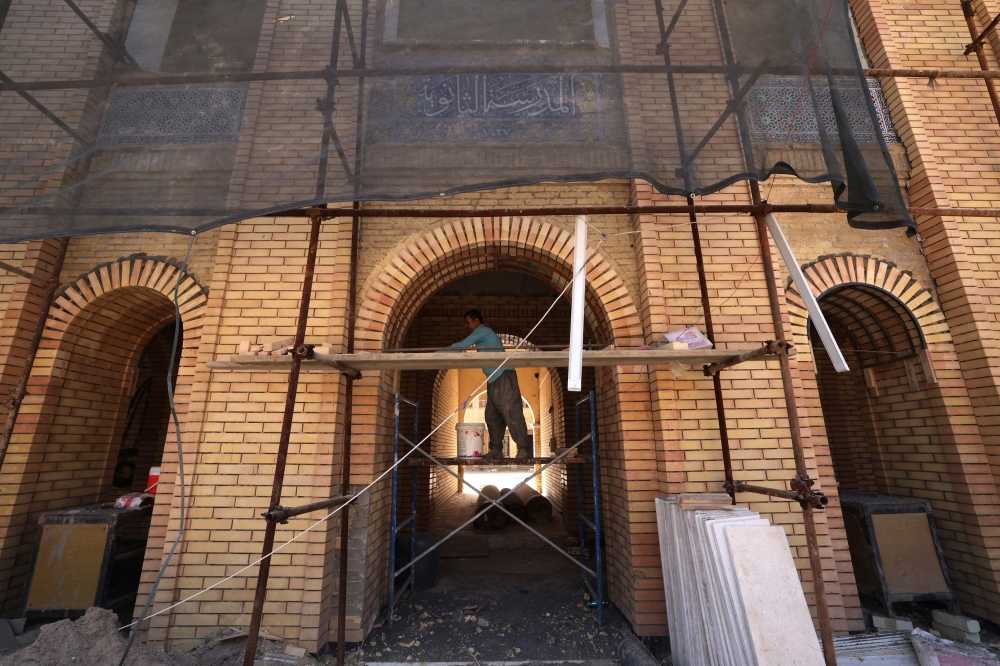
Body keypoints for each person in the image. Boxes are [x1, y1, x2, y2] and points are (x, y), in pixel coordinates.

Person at [446, 309, 533, 460]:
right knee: (492, 416)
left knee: (511, 412)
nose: (466, 326)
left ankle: (524, 449)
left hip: (504, 375)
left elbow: (463, 344)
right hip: (493, 379)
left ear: (476, 321)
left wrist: (438, 353)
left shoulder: (482, 330)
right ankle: (496, 450)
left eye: (467, 322)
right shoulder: (482, 334)